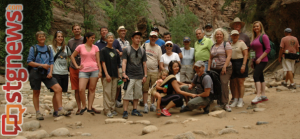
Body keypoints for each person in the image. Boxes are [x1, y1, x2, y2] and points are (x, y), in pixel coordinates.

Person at [27, 31, 71, 120]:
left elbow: (51, 61)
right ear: (37, 38)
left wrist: (50, 72)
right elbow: (29, 62)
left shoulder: (48, 48)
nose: (42, 38)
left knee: (58, 89)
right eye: (40, 37)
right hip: (35, 72)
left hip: (46, 73)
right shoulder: (33, 48)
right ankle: (38, 112)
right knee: (36, 92)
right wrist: (42, 65)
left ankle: (60, 109)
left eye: (43, 36)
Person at [68, 24, 101, 115]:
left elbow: (98, 60)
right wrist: (77, 66)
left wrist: (100, 71)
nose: (93, 39)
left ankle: (90, 107)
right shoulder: (80, 46)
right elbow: (72, 56)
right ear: (87, 38)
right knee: (81, 89)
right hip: (83, 71)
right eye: (92, 38)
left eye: (94, 38)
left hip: (94, 70)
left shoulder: (96, 47)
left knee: (92, 89)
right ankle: (84, 106)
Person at [122, 31, 147, 119]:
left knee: (137, 94)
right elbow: (124, 61)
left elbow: (144, 64)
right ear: (132, 39)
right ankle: (125, 111)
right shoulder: (127, 50)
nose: (138, 39)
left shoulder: (142, 50)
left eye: (139, 38)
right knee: (127, 94)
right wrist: (123, 73)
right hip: (130, 75)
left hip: (139, 75)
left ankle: (134, 110)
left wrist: (145, 75)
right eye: (136, 38)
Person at [208, 28, 233, 112]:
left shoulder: (226, 44)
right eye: (217, 34)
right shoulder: (213, 46)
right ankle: (219, 102)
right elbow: (210, 58)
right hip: (215, 69)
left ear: (223, 35)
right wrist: (208, 69)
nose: (218, 36)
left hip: (225, 68)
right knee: (217, 85)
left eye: (220, 34)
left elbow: (229, 56)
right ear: (215, 36)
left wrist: (224, 66)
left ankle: (226, 103)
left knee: (224, 83)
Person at [229, 17, 251, 104]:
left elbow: (247, 51)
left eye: (239, 24)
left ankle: (240, 99)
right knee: (234, 82)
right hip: (232, 62)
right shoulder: (230, 42)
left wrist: (244, 64)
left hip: (241, 61)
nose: (237, 25)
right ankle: (235, 98)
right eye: (235, 24)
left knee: (240, 82)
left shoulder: (244, 37)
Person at [250, 21, 271, 104]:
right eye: (254, 26)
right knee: (261, 76)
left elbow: (268, 49)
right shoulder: (254, 38)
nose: (256, 28)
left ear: (261, 27)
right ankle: (263, 95)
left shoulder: (264, 36)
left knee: (255, 76)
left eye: (257, 26)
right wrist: (252, 61)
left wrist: (260, 58)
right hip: (255, 60)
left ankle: (258, 95)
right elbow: (252, 50)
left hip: (262, 60)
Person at [100, 32, 121, 118]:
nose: (110, 39)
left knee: (113, 92)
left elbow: (117, 64)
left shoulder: (115, 51)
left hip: (115, 74)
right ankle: (107, 110)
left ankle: (112, 108)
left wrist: (119, 74)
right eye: (109, 38)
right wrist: (106, 74)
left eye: (112, 38)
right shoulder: (103, 50)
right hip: (107, 75)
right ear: (106, 39)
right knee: (107, 92)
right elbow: (103, 63)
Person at [142, 31, 162, 113]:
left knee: (154, 89)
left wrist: (159, 73)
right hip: (145, 71)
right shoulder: (144, 45)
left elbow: (159, 61)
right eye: (152, 37)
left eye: (155, 37)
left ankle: (153, 104)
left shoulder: (158, 48)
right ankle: (145, 105)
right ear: (149, 37)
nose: (153, 38)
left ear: (156, 38)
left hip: (154, 71)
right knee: (145, 89)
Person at [49, 31, 71, 97]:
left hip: (65, 73)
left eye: (61, 36)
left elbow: (71, 57)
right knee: (56, 92)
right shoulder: (50, 47)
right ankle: (57, 107)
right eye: (58, 36)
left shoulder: (66, 48)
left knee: (62, 92)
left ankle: (59, 106)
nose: (60, 38)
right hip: (55, 72)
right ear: (55, 38)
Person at [116, 26, 130, 108]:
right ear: (118, 32)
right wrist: (123, 51)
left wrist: (122, 51)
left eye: (124, 31)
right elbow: (117, 53)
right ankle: (118, 100)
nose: (123, 32)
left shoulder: (128, 42)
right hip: (120, 65)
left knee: (127, 83)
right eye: (121, 31)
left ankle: (127, 99)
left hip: (127, 65)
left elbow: (128, 52)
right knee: (119, 83)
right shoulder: (116, 41)